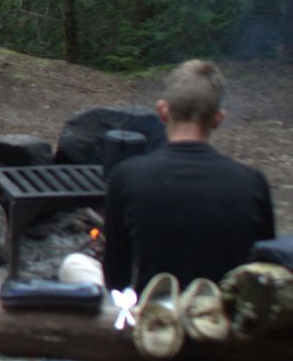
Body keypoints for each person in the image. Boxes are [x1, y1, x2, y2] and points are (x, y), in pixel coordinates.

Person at [101, 59, 276, 292]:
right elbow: (265, 271)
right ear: (218, 118)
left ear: (162, 110)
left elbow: (116, 279)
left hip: (156, 311)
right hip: (223, 311)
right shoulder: (252, 183)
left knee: (76, 264)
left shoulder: (126, 177)